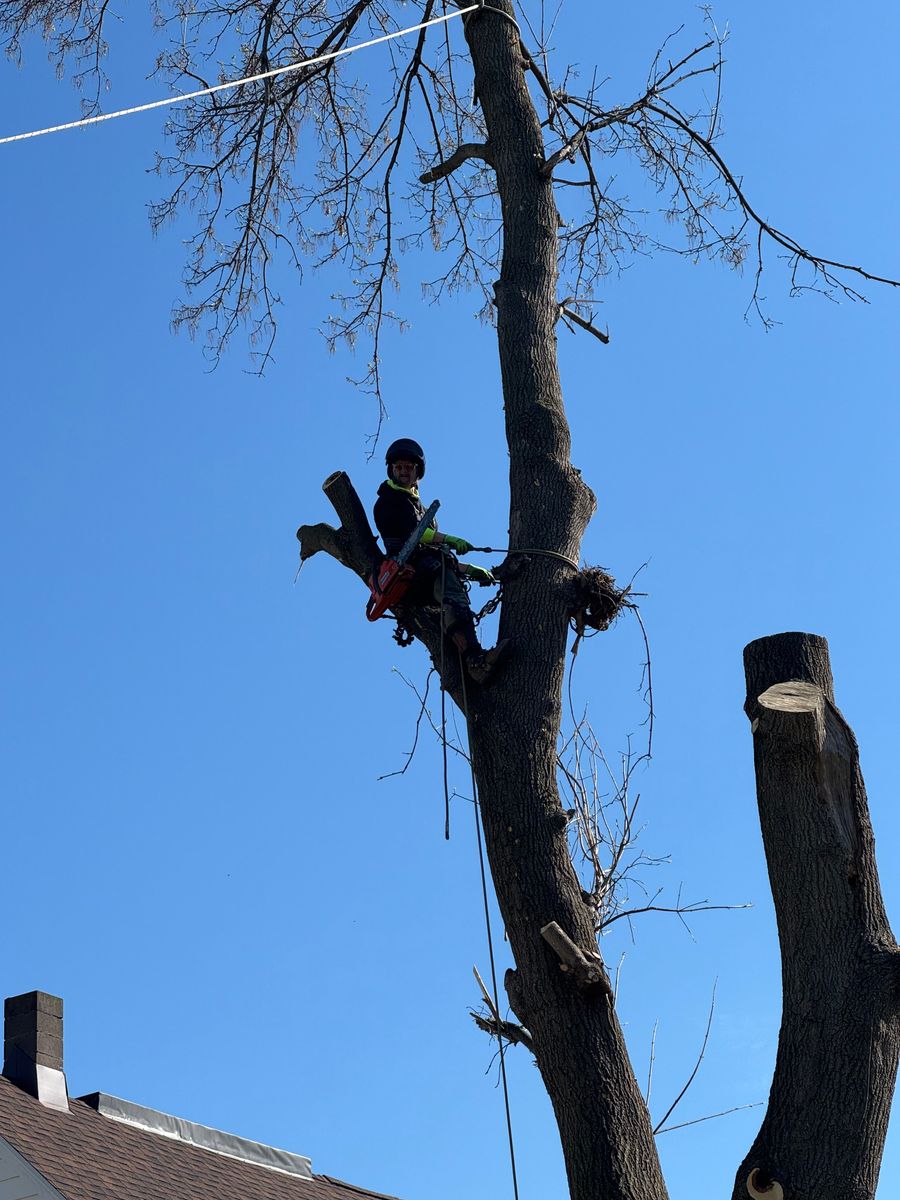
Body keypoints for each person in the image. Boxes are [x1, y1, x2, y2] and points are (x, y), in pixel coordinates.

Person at [373, 438, 510, 684]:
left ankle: (466, 661)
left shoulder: (417, 505)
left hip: (426, 569)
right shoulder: (389, 501)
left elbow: (433, 551)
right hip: (408, 573)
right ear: (391, 470)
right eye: (398, 467)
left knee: (452, 592)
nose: (403, 471)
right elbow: (415, 535)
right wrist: (450, 539)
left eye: (408, 467)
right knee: (453, 597)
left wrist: (470, 569)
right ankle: (475, 660)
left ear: (417, 471)